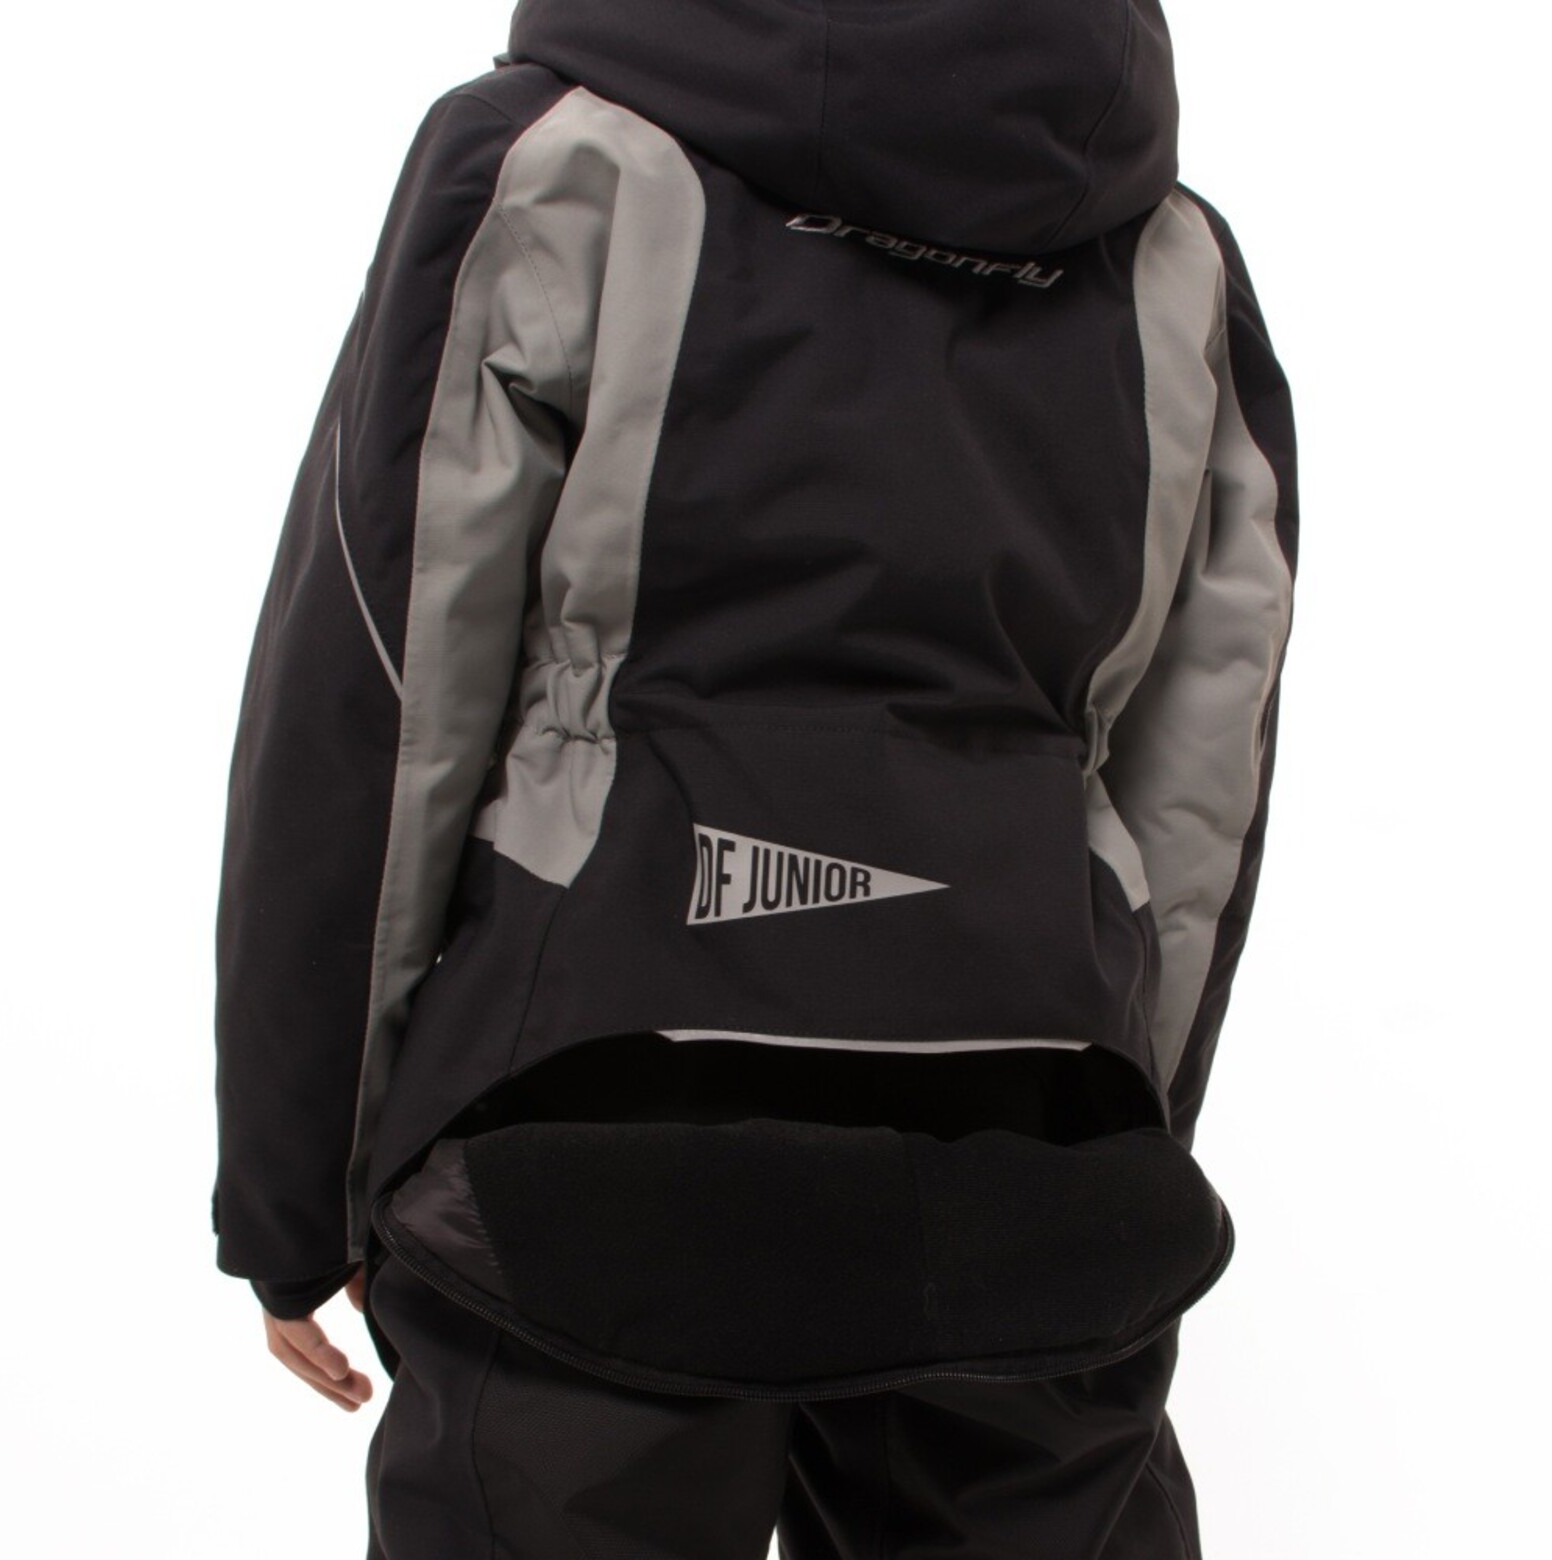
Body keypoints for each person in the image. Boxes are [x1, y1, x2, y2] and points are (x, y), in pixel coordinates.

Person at [211, 0, 1299, 1554]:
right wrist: (1126, 1115)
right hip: (1036, 1156)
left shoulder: (558, 159)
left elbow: (387, 680)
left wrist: (301, 1185)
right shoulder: (1170, 254)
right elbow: (1202, 778)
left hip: (579, 1134)